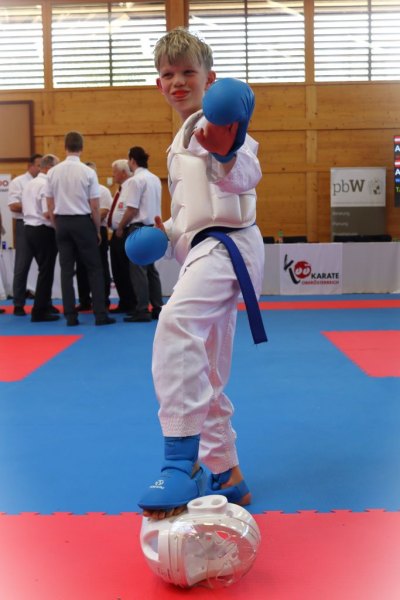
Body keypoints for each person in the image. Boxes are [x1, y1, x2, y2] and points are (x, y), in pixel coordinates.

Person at [138, 28, 265, 519]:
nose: (177, 81)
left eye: (188, 71)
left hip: (228, 247)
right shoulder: (178, 142)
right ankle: (228, 473)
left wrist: (227, 151)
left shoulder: (221, 124)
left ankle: (179, 461)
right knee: (204, 366)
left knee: (176, 326)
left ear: (209, 79)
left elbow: (244, 175)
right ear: (159, 84)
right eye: (168, 74)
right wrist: (167, 233)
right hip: (206, 247)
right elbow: (195, 210)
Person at [45, 131, 115, 327]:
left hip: (62, 222)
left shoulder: (52, 172)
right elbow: (95, 206)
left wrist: (56, 224)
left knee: (66, 271)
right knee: (94, 268)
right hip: (82, 222)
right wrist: (96, 229)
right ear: (81, 148)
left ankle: (70, 316)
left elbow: (50, 204)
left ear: (65, 147)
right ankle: (100, 315)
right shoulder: (88, 172)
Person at [116, 146, 163, 323]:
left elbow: (132, 209)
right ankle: (158, 307)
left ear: (132, 160)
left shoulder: (136, 180)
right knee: (151, 270)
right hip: (153, 227)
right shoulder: (155, 179)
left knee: (138, 270)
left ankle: (142, 309)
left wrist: (120, 226)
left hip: (138, 227)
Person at [21, 154, 60, 322]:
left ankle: (45, 304)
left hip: (29, 228)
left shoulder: (30, 183)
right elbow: (47, 213)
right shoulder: (45, 184)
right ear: (49, 168)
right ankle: (39, 311)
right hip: (43, 229)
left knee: (44, 269)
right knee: (46, 270)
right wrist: (60, 226)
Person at [7, 153, 42, 315]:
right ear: (30, 166)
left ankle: (44, 303)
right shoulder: (18, 182)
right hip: (24, 224)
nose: (41, 168)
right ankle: (19, 304)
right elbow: (13, 205)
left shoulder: (45, 182)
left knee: (45, 266)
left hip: (42, 225)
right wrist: (34, 206)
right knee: (22, 266)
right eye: (38, 165)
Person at [75, 162, 113, 311]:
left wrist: (84, 218)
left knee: (100, 265)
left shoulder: (103, 190)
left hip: (98, 229)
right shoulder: (79, 191)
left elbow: (103, 212)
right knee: (81, 266)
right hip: (81, 230)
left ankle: (103, 300)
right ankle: (84, 300)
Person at [108, 159, 137, 314]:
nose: (113, 175)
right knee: (117, 270)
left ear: (124, 173)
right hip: (117, 232)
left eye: (115, 171)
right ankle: (124, 302)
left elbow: (130, 210)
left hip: (124, 231)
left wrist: (120, 227)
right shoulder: (121, 189)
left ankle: (131, 302)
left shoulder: (130, 187)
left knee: (125, 269)